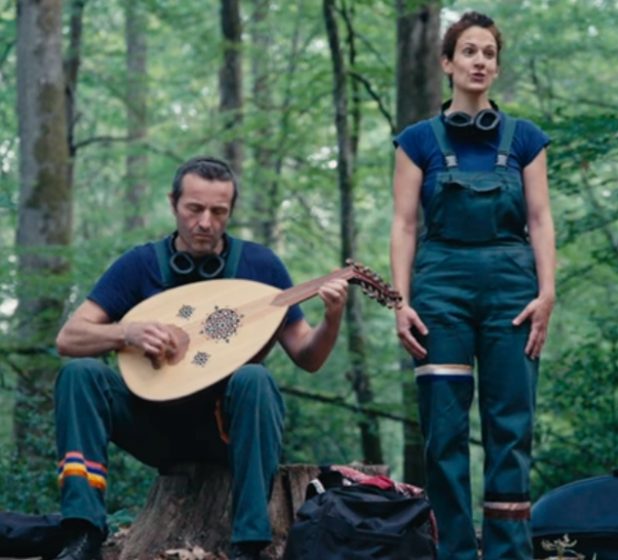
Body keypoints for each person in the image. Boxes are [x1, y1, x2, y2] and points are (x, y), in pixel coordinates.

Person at [52, 156, 348, 560]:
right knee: (80, 374)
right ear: (173, 203)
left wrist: (332, 318)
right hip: (152, 425)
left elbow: (307, 357)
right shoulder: (140, 265)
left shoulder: (259, 266)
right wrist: (126, 332)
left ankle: (249, 544)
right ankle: (83, 532)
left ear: (231, 211)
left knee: (255, 379)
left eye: (218, 211)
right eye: (194, 208)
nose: (205, 222)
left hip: (225, 432)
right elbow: (69, 338)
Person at [390, 11, 556, 560]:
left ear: (497, 67)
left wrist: (547, 293)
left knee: (511, 426)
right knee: (444, 430)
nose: (479, 61)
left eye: (488, 53)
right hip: (440, 291)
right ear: (447, 62)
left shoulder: (525, 138)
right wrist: (400, 301)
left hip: (513, 292)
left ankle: (509, 552)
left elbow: (540, 220)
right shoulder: (417, 141)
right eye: (468, 51)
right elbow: (404, 225)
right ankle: (454, 551)